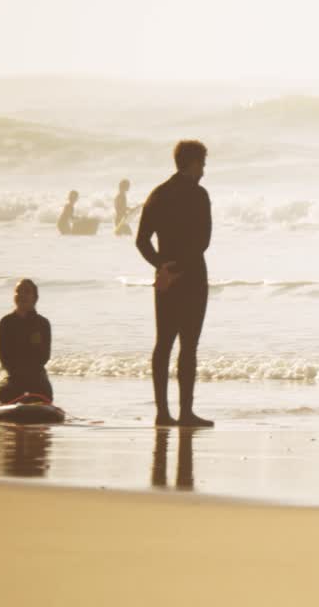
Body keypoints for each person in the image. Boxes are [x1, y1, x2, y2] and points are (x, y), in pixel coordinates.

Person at [136, 140, 213, 427]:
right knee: (188, 346)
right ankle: (186, 412)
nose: (204, 170)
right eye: (202, 164)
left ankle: (162, 412)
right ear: (193, 163)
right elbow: (204, 241)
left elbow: (141, 240)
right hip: (192, 277)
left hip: (167, 279)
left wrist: (162, 265)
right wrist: (180, 268)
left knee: (164, 343)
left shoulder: (159, 194)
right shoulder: (199, 195)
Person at [0, 279, 53, 406]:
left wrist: (29, 374)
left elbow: (44, 356)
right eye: (18, 291)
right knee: (5, 396)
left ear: (35, 298)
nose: (22, 295)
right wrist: (17, 374)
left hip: (36, 375)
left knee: (45, 396)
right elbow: (4, 357)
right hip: (12, 375)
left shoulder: (43, 323)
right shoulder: (6, 322)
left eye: (27, 292)